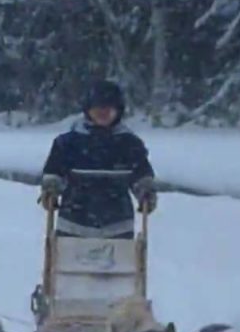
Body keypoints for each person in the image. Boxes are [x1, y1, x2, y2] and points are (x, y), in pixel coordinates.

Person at [39, 80, 156, 239]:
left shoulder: (129, 143)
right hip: (73, 221)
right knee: (68, 263)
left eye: (108, 108)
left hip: (118, 223)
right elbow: (54, 171)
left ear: (118, 110)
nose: (103, 112)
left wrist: (146, 193)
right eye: (97, 108)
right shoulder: (68, 143)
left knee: (121, 263)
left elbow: (141, 174)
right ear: (88, 110)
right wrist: (50, 190)